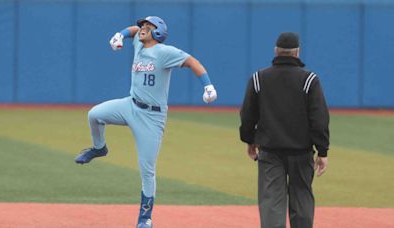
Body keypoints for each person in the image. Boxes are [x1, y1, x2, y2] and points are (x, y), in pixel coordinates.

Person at [74, 16, 217, 228]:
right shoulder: (138, 43)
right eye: (143, 26)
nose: (142, 29)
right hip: (130, 105)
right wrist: (120, 34)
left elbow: (192, 62)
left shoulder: (164, 52)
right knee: (94, 115)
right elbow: (132, 29)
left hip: (152, 117)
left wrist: (208, 86)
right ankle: (99, 148)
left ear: (158, 32)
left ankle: (145, 218)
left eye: (148, 27)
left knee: (147, 170)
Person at [239, 32, 329, 228]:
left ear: (275, 51)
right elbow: (319, 118)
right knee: (302, 198)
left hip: (270, 152)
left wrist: (249, 140)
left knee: (271, 201)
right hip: (302, 152)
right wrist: (322, 151)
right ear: (297, 52)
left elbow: (247, 114)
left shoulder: (259, 78)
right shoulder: (309, 80)